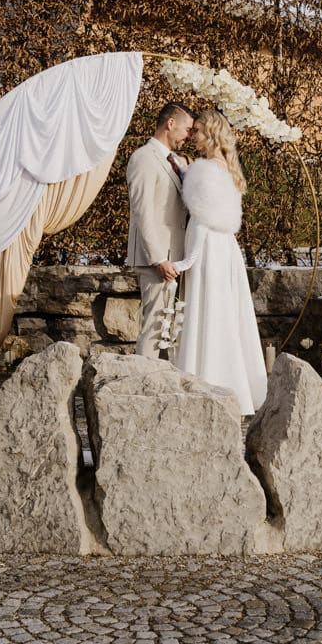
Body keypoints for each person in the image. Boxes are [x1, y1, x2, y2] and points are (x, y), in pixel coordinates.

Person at [170, 109, 269, 415]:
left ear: (210, 134)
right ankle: (234, 384)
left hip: (208, 250)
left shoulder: (204, 169)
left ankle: (205, 379)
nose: (193, 136)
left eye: (197, 130)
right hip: (226, 249)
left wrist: (188, 261)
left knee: (207, 310)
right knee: (225, 314)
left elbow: (201, 219)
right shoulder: (226, 166)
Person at [124, 101, 195, 359]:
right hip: (158, 259)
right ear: (171, 123)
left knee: (169, 326)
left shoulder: (175, 161)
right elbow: (142, 212)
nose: (188, 136)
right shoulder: (143, 158)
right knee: (155, 325)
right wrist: (158, 259)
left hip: (175, 257)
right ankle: (143, 385)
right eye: (187, 129)